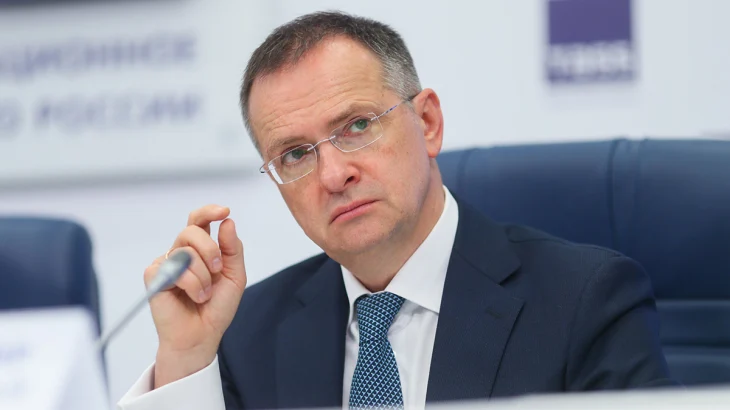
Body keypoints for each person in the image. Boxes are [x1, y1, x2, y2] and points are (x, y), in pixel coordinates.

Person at [117, 11, 675, 410]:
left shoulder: (584, 300)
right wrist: (187, 357)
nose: (333, 175)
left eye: (357, 125)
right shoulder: (248, 333)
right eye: (295, 155)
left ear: (427, 123)